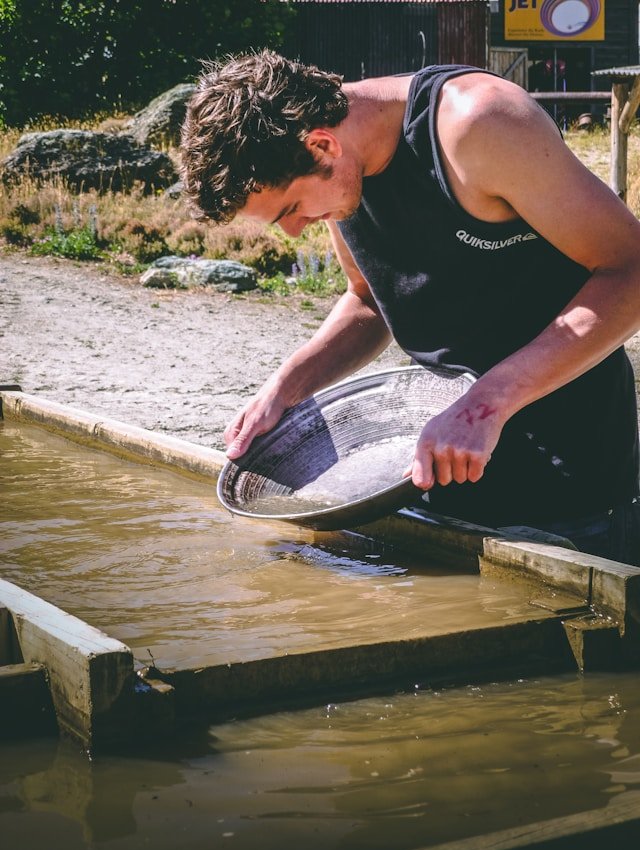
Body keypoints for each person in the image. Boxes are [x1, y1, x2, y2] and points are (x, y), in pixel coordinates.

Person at [180, 50, 640, 562]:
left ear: (322, 145)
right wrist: (286, 387)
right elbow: (368, 301)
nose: (293, 230)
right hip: (435, 471)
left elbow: (631, 270)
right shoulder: (337, 167)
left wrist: (487, 402)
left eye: (289, 209)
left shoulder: (477, 123)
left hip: (572, 477)